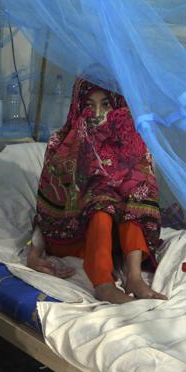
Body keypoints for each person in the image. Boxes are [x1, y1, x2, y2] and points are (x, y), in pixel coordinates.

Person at [27, 77, 165, 304]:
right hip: (74, 237)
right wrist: (34, 255)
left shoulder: (133, 144)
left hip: (117, 246)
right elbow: (49, 210)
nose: (98, 113)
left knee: (136, 195)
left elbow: (145, 200)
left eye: (106, 105)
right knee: (101, 202)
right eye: (89, 105)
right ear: (77, 106)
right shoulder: (62, 145)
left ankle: (134, 277)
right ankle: (103, 284)